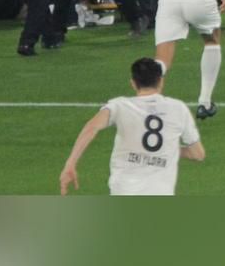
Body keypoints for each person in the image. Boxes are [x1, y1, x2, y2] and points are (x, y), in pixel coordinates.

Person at [59, 57, 205, 196]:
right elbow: (197, 154)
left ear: (133, 83)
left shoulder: (120, 105)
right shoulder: (178, 108)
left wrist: (70, 163)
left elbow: (91, 127)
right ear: (160, 81)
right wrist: (167, 149)